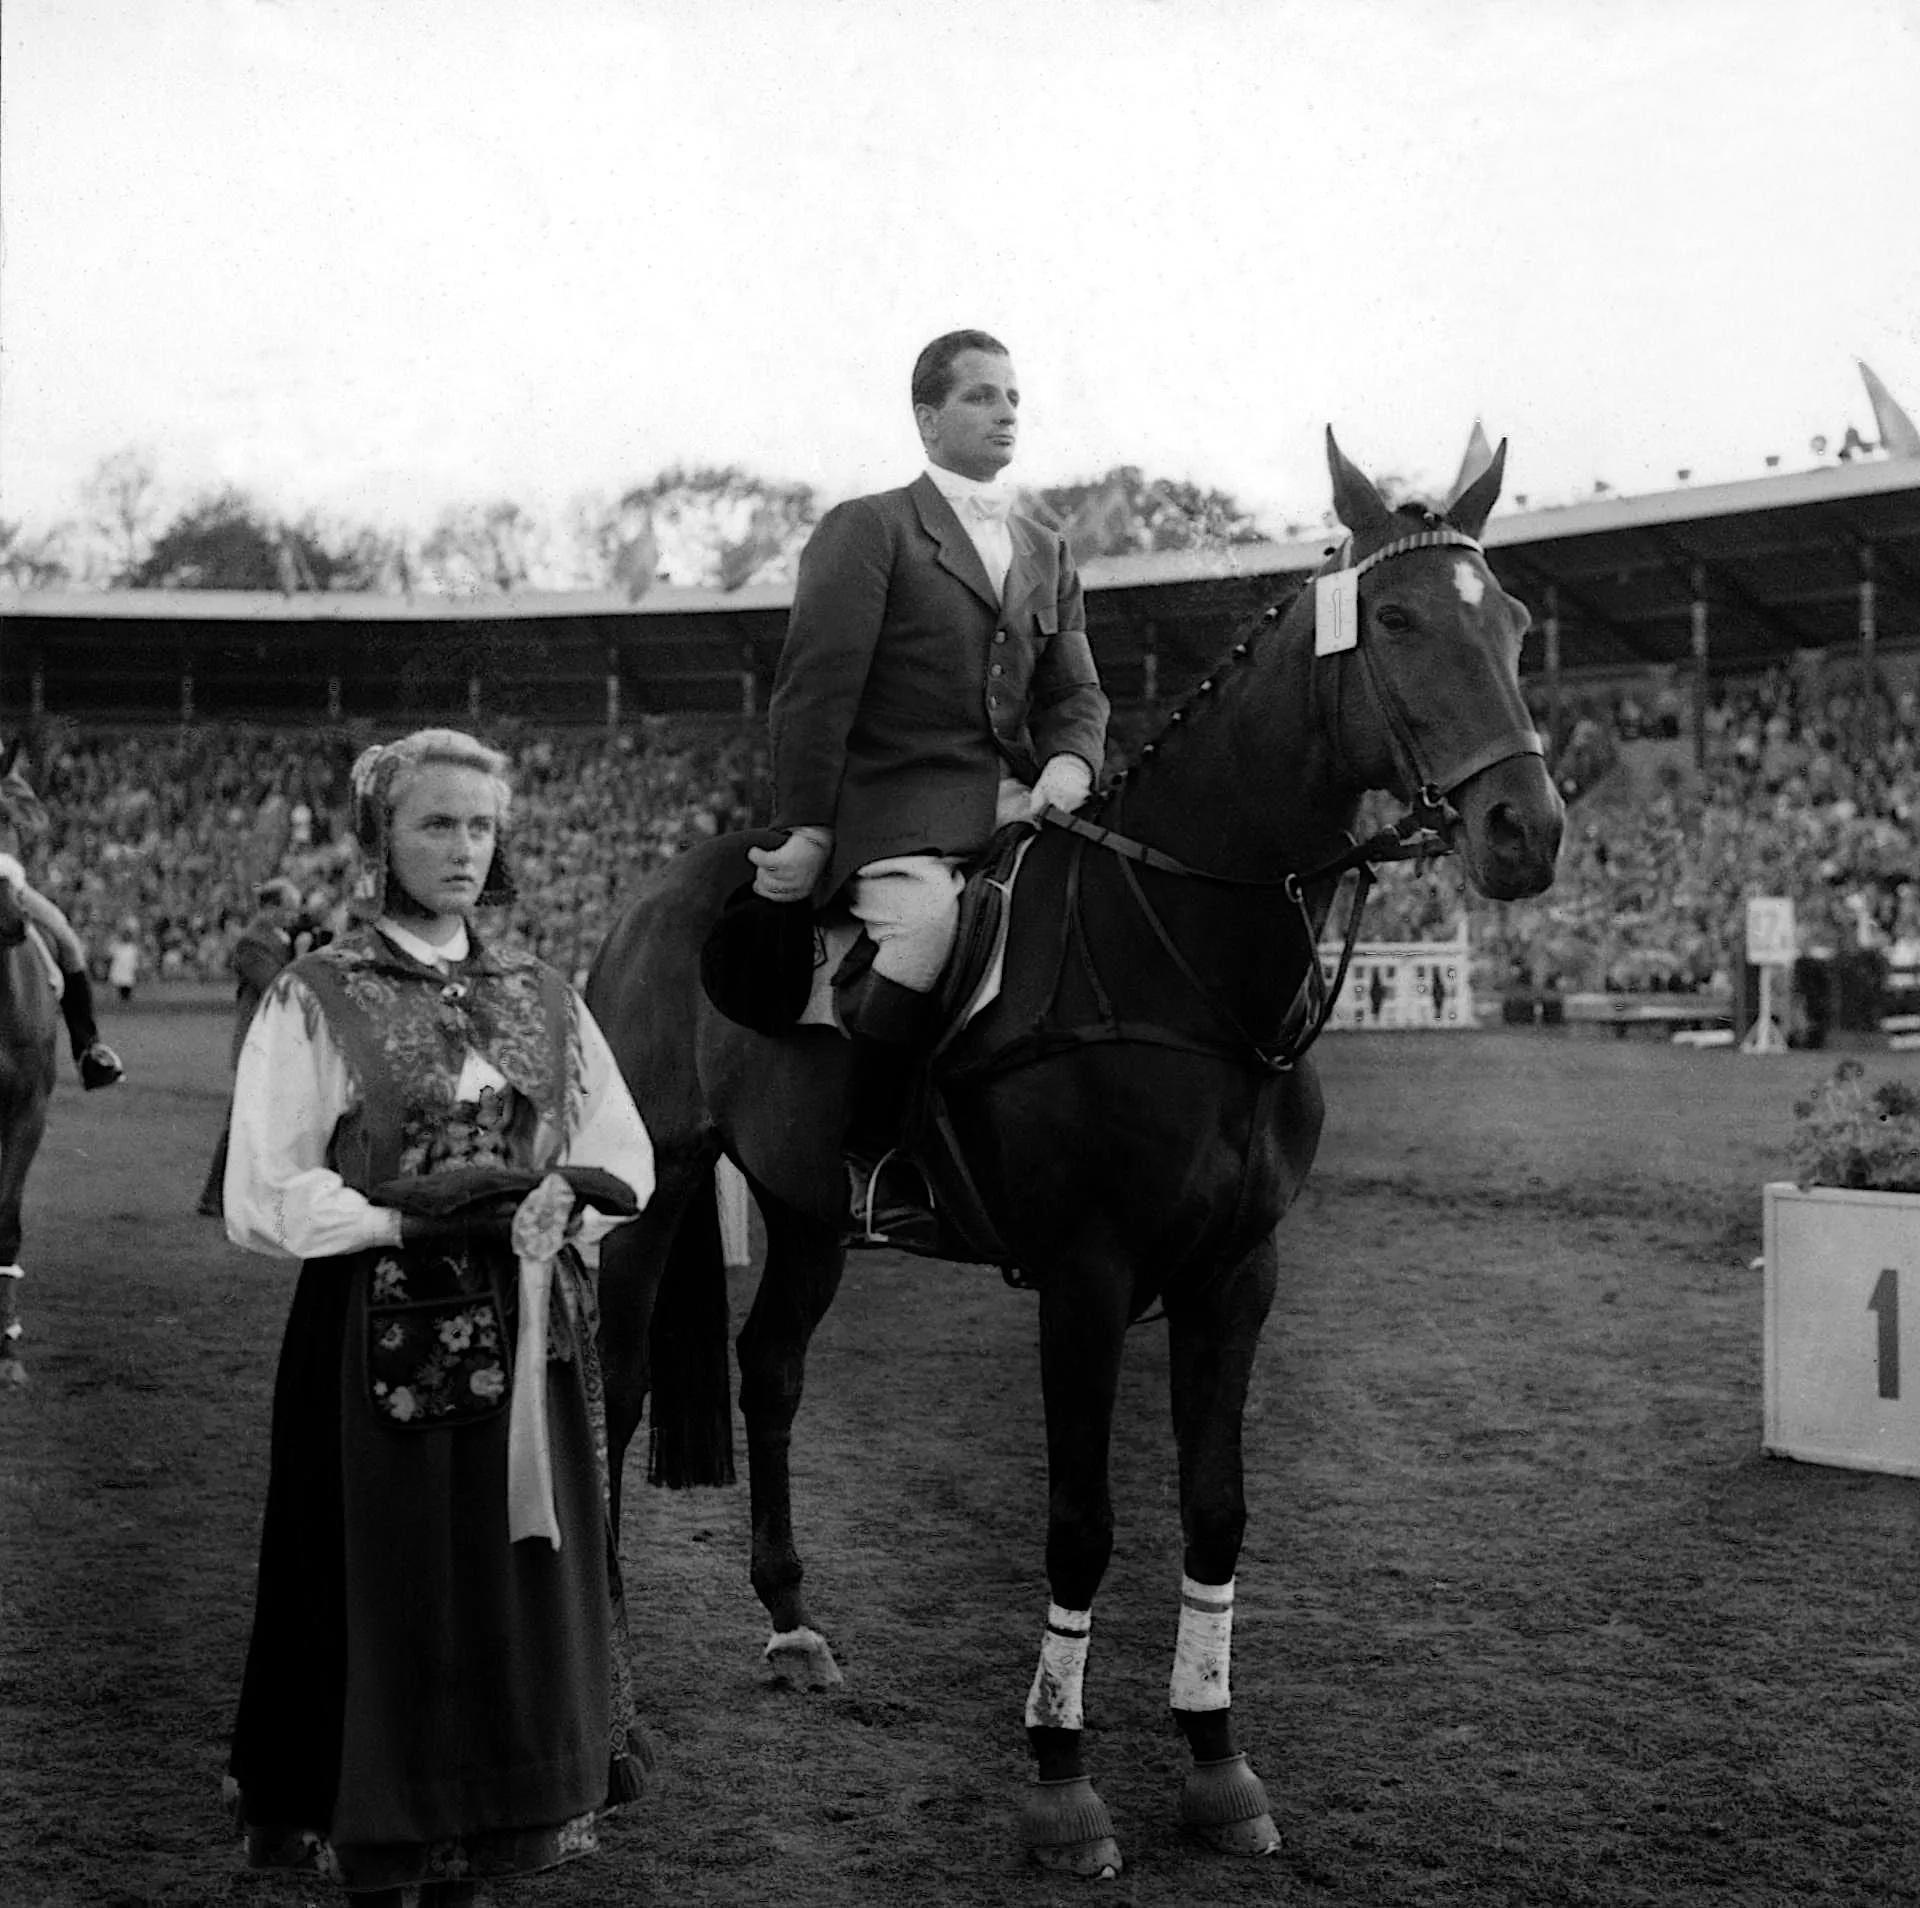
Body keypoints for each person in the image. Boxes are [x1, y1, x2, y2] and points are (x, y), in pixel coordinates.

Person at [221, 729, 656, 1906]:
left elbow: (622, 1149)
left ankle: (481, 1848)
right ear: (380, 842)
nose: (465, 848)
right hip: (373, 1343)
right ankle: (380, 1855)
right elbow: (263, 1191)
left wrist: (568, 1198)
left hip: (528, 1345)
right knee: (391, 1604)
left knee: (501, 1615)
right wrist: (401, 1224)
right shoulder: (318, 996)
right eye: (436, 825)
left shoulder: (543, 994)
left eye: (480, 825)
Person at [751, 328, 1109, 1059]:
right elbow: (815, 692)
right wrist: (810, 825)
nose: (1006, 411)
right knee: (925, 931)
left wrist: (1071, 763)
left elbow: (1075, 690)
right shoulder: (870, 527)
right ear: (927, 418)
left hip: (1018, 803)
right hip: (895, 811)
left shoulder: (1048, 548)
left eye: (1013, 397)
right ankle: (870, 1137)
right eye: (980, 396)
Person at [0, 764, 124, 1089]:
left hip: (6, 884)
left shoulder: (8, 787)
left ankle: (88, 1050)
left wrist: (11, 800)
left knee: (65, 937)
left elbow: (36, 822)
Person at [195, 877, 306, 1219]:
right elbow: (278, 987)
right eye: (288, 909)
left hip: (273, 1043)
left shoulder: (270, 939)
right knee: (246, 1122)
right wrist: (303, 957)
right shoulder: (253, 943)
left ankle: (226, 1197)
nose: (293, 917)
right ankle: (215, 1197)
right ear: (271, 908)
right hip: (259, 1044)